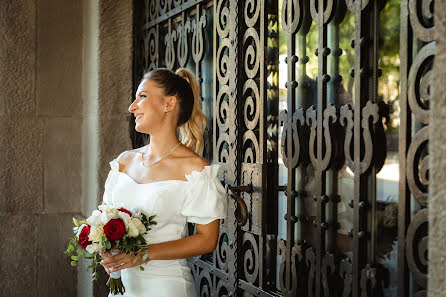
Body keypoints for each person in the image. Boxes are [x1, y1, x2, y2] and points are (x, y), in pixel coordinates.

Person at [99, 68, 228, 297]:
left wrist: (143, 253)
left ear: (169, 104)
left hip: (166, 287)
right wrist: (105, 248)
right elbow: (105, 219)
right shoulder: (124, 162)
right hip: (123, 288)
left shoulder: (195, 170)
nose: (132, 106)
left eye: (142, 96)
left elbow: (207, 240)